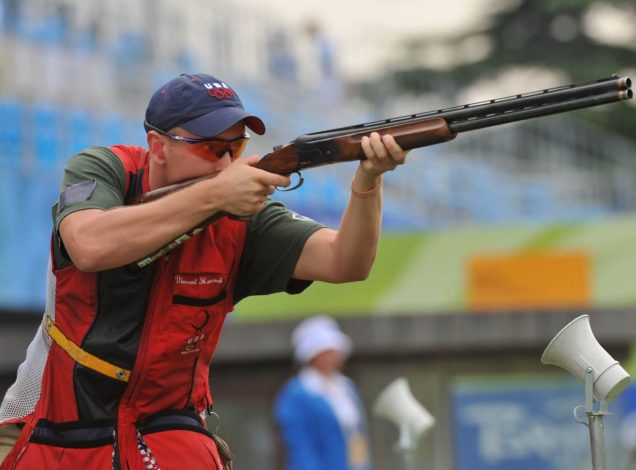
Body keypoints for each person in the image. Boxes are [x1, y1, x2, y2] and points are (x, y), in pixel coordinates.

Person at [0, 73, 408, 469]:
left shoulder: (244, 217)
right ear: (157, 147)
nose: (228, 162)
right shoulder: (105, 169)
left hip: (167, 432)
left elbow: (346, 261)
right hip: (53, 430)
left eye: (237, 146)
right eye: (212, 149)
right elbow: (89, 245)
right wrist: (215, 195)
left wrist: (367, 183)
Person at [274, 316, 371, 470]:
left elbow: (357, 436)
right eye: (327, 352)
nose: (334, 357)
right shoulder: (296, 393)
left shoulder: (347, 387)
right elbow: (300, 446)